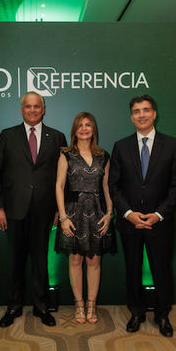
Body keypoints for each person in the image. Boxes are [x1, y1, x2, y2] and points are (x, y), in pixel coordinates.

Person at [109, 95, 176, 337]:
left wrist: (159, 214)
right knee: (132, 269)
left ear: (154, 114)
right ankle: (137, 312)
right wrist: (129, 214)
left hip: (159, 223)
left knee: (161, 269)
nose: (141, 115)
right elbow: (114, 186)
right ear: (131, 117)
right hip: (130, 222)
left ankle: (162, 315)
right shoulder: (121, 146)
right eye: (136, 111)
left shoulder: (172, 145)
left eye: (146, 110)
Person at [0, 91, 67, 327]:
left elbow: (62, 178)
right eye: (27, 106)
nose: (32, 110)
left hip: (44, 210)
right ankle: (13, 307)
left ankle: (41, 307)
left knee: (41, 261)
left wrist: (58, 210)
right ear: (21, 109)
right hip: (13, 210)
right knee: (15, 261)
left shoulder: (57, 137)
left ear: (43, 109)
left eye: (36, 106)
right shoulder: (7, 135)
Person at [55, 112, 115, 324]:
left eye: (88, 124)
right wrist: (62, 217)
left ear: (93, 129)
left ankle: (92, 305)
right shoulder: (66, 154)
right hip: (73, 213)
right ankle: (78, 305)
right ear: (74, 130)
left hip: (98, 213)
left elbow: (107, 187)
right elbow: (59, 186)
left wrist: (109, 214)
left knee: (94, 260)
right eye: (80, 125)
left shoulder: (103, 156)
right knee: (75, 259)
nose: (84, 128)